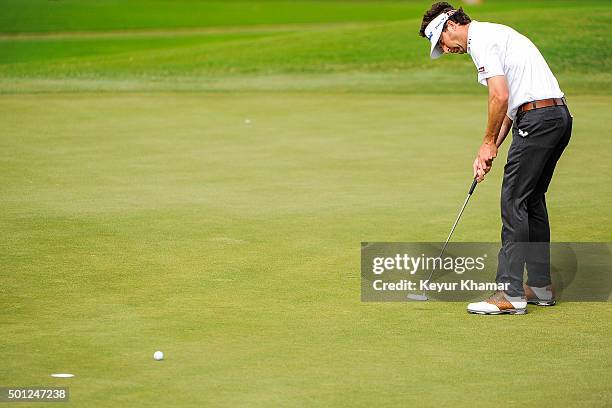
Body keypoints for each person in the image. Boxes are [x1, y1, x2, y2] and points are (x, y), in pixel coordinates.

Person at [419, 2, 573, 314]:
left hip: (538, 120)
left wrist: (487, 142)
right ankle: (540, 287)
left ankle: (510, 293)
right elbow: (511, 106)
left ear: (450, 26)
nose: (446, 50)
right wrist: (490, 147)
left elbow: (499, 95)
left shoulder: (480, 41)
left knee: (513, 201)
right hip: (555, 116)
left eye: (442, 43)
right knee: (531, 200)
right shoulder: (495, 34)